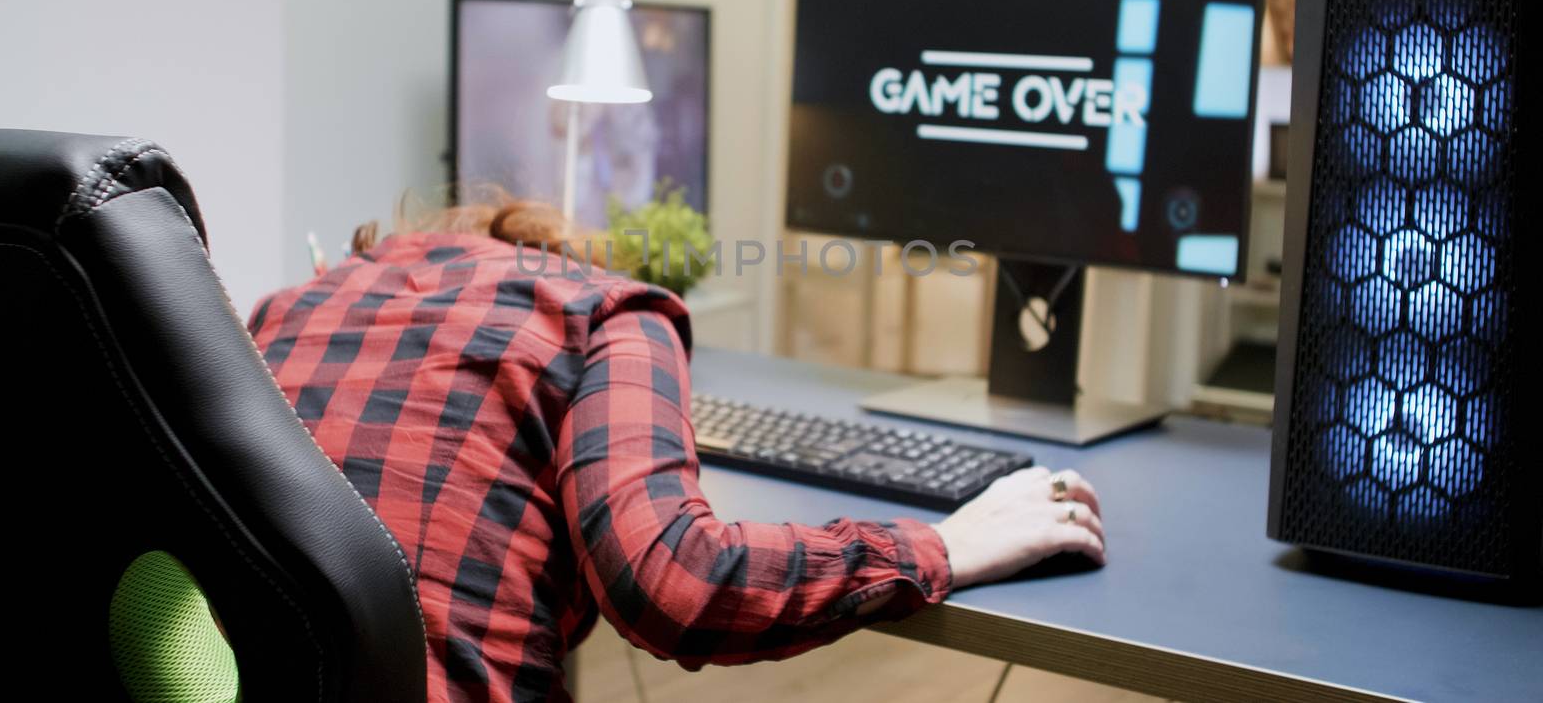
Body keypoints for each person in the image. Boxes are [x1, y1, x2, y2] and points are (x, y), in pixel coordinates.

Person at [249, 190, 1105, 703]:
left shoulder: (282, 309)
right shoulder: (604, 306)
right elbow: (676, 581)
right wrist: (945, 543)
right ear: (551, 246)